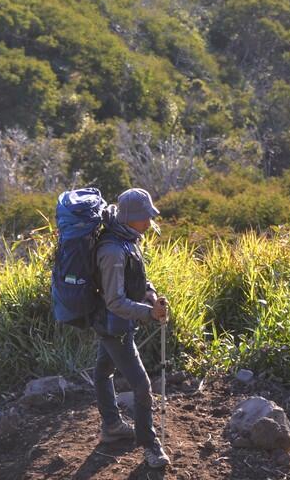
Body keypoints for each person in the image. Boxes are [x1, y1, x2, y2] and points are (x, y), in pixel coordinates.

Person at [92, 187, 171, 469]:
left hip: (112, 322)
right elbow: (114, 301)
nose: (149, 222)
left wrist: (150, 294)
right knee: (141, 385)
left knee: (102, 372)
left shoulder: (128, 239)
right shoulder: (112, 251)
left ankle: (112, 426)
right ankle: (151, 446)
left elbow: (138, 279)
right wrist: (150, 313)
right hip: (114, 325)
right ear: (130, 218)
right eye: (145, 217)